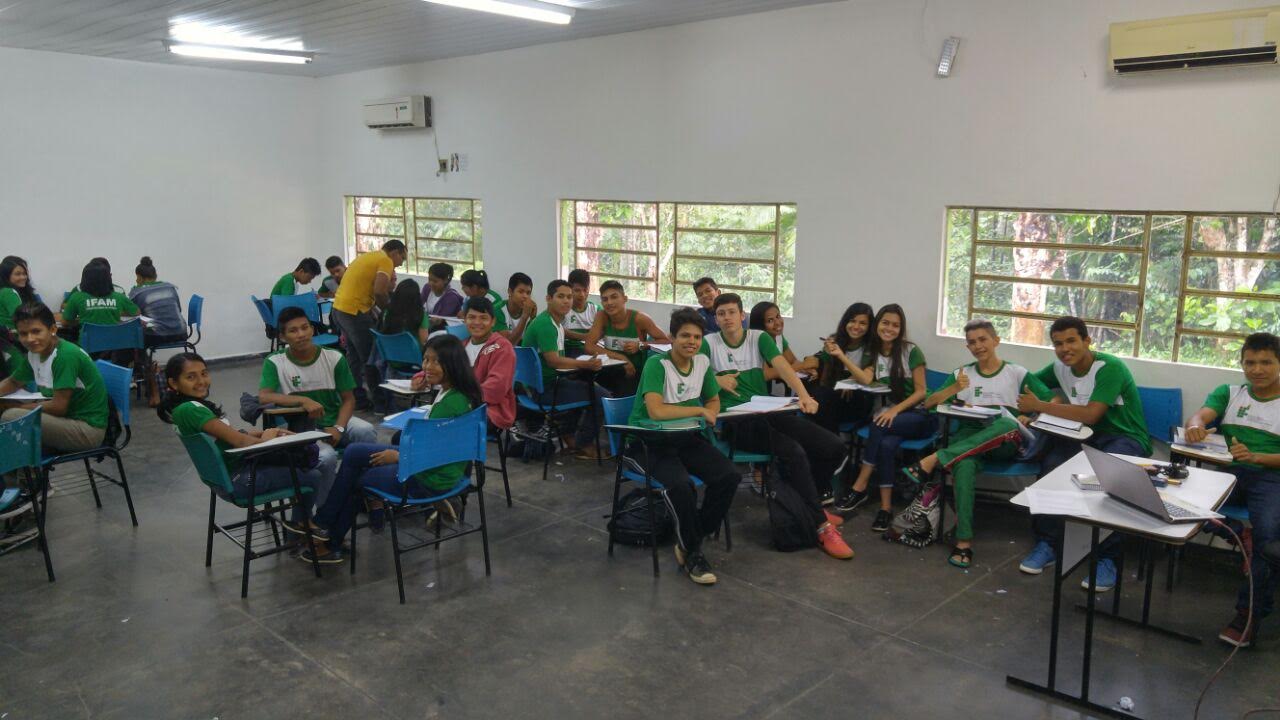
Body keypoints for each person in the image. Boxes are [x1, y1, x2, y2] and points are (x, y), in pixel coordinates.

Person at [305, 334, 482, 564]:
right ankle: (326, 526)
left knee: (357, 477)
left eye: (436, 361)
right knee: (353, 452)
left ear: (452, 363)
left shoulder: (448, 404)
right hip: (448, 473)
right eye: (426, 359)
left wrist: (398, 456)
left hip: (426, 479)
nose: (428, 366)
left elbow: (433, 453)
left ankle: (329, 537)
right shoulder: (460, 394)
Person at [702, 293, 851, 559]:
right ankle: (821, 524)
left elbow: (784, 367)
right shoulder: (708, 343)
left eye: (731, 312)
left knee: (833, 446)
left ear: (742, 316)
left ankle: (808, 503)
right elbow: (691, 372)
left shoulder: (758, 338)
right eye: (721, 314)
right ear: (716, 318)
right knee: (793, 451)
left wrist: (804, 395)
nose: (727, 318)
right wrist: (715, 380)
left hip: (765, 410)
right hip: (734, 421)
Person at [900, 319, 1054, 568]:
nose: (978, 346)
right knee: (964, 465)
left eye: (983, 339)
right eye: (972, 342)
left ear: (996, 341)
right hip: (969, 436)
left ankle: (935, 458)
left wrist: (1031, 414)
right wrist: (953, 390)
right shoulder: (963, 374)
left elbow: (1050, 400)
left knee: (1007, 424)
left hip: (1004, 440)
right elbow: (928, 403)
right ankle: (964, 543)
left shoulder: (1016, 372)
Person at [1015, 316, 1150, 591]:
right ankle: (1048, 544)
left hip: (1124, 438)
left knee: (1112, 481)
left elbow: (1091, 414)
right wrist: (1042, 402)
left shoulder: (1109, 367)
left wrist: (1041, 405)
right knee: (1051, 469)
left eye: (1071, 341)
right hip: (1081, 437)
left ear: (1087, 341)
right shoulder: (1060, 368)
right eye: (1058, 344)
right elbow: (1027, 381)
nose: (1065, 349)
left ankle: (1107, 559)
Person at [625, 308, 744, 584]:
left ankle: (692, 537)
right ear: (671, 338)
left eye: (697, 336)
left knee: (729, 476)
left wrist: (710, 409)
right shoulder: (658, 365)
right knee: (681, 486)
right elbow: (655, 411)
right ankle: (693, 552)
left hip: (685, 437)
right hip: (647, 441)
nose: (691, 341)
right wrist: (699, 412)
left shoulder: (701, 362)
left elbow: (712, 399)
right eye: (684, 336)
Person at [1183, 332, 1280, 647]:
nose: (1257, 369)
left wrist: (1257, 457)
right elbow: (1202, 415)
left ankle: (1248, 615)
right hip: (1232, 472)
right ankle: (1237, 532)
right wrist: (1195, 425)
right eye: (1250, 362)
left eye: (1266, 362)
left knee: (1269, 539)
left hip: (1271, 477)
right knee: (1181, 504)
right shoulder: (1230, 392)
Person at [158, 352, 323, 535]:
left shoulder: (184, 408)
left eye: (204, 373)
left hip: (223, 477)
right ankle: (301, 526)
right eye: (191, 377)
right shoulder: (192, 410)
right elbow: (241, 441)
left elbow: (228, 436)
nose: (201, 381)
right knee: (314, 474)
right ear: (174, 383)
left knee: (296, 452)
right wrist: (268, 438)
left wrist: (265, 433)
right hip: (240, 480)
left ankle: (301, 525)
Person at [258, 307, 377, 506]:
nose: (301, 334)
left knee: (366, 431)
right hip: (302, 430)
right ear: (283, 336)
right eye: (293, 330)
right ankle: (325, 514)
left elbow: (349, 399)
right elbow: (264, 396)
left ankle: (370, 496)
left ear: (312, 330)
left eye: (305, 328)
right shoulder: (275, 361)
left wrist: (339, 428)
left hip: (335, 419)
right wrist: (303, 401)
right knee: (327, 456)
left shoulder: (334, 358)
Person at [840, 304, 936, 532]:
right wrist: (847, 375)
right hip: (894, 421)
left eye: (895, 325)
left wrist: (894, 411)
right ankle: (885, 508)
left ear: (901, 329)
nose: (889, 328)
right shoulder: (871, 352)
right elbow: (865, 378)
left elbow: (921, 391)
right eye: (885, 323)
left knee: (879, 423)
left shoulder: (911, 351)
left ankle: (860, 485)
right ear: (877, 325)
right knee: (885, 445)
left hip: (921, 416)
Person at [520, 279, 611, 459]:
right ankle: (582, 445)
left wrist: (586, 341)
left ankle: (569, 437)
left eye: (569, 297)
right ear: (548, 298)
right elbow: (553, 361)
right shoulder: (546, 325)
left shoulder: (552, 321)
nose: (566, 301)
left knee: (582, 385)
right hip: (545, 390)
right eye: (560, 296)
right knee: (603, 396)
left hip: (537, 388)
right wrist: (585, 364)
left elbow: (563, 336)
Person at [0, 303, 109, 453]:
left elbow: (59, 407)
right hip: (63, 420)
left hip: (86, 430)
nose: (30, 339)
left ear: (52, 329)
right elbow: (13, 382)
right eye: (23, 334)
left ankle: (23, 473)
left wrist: (17, 408)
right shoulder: (35, 353)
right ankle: (22, 472)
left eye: (36, 331)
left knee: (11, 416)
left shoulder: (65, 356)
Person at [331, 239, 408, 409]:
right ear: (395, 252)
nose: (400, 264)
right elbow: (380, 291)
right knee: (370, 358)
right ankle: (381, 403)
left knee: (354, 357)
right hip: (354, 312)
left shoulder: (368, 256)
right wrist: (391, 312)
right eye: (402, 258)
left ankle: (357, 398)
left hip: (339, 309)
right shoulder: (385, 260)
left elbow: (365, 290)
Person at [584, 280, 669, 396]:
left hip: (634, 373)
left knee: (622, 386)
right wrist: (621, 358)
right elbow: (589, 346)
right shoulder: (602, 316)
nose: (609, 302)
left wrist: (640, 345)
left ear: (624, 298)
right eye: (605, 299)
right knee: (585, 377)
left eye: (614, 297)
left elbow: (666, 342)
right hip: (610, 368)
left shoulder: (640, 319)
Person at [812, 302, 877, 448]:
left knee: (821, 403)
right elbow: (826, 376)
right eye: (852, 321)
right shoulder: (834, 340)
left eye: (862, 323)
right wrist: (816, 368)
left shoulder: (873, 347)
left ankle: (833, 449)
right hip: (833, 396)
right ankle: (833, 448)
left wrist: (851, 379)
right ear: (845, 321)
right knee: (815, 397)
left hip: (859, 399)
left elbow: (866, 378)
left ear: (869, 326)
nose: (856, 326)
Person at [456, 297, 515, 431]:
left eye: (483, 318)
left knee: (446, 428)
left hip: (490, 410)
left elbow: (496, 388)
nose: (477, 322)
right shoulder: (461, 345)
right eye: (471, 317)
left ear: (493, 322)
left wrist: (462, 398)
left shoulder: (502, 347)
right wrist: (423, 376)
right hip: (460, 403)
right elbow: (442, 367)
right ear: (464, 320)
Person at [128, 256, 188, 347]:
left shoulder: (137, 292)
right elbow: (179, 310)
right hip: (181, 333)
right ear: (155, 276)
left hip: (156, 336)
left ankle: (142, 361)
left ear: (139, 277)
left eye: (137, 277)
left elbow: (132, 314)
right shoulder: (170, 287)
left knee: (134, 334)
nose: (136, 280)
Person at [749, 301, 806, 374]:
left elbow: (792, 361)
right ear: (760, 326)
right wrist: (803, 366)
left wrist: (807, 369)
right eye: (770, 320)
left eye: (778, 317)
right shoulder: (756, 342)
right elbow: (766, 374)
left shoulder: (778, 336)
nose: (778, 323)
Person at [380, 278, 430, 347]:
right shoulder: (421, 315)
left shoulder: (387, 311)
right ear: (416, 297)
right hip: (413, 354)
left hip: (390, 352)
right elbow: (424, 341)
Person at [563, 269, 600, 357]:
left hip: (590, 351)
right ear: (570, 289)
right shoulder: (563, 309)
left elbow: (601, 333)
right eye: (577, 290)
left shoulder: (596, 309)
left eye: (585, 290)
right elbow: (558, 330)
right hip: (568, 351)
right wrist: (586, 336)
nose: (582, 294)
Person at [495, 272, 538, 344]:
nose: (525, 296)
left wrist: (533, 319)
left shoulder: (529, 310)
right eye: (521, 292)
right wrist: (524, 317)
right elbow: (507, 344)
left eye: (528, 293)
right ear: (510, 291)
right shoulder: (497, 310)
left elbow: (530, 343)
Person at [0, 256, 38, 334]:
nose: (23, 277)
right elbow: (24, 321)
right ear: (6, 276)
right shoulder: (8, 292)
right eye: (18, 274)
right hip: (14, 339)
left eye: (24, 273)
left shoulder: (19, 291)